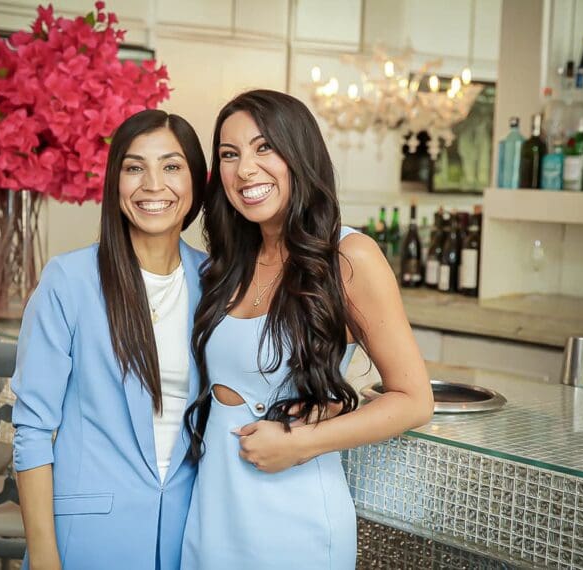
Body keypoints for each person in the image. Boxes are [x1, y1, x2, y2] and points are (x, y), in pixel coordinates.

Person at [181, 90, 435, 569]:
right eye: (229, 155)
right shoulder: (224, 264)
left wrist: (300, 442)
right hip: (213, 507)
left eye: (264, 148)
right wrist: (339, 398)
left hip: (295, 516)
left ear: (299, 154)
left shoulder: (349, 257)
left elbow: (415, 400)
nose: (245, 170)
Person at [12, 109, 207, 570]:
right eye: (134, 167)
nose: (153, 184)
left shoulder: (217, 282)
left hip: (189, 534)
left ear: (196, 182)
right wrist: (43, 558)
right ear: (115, 183)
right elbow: (33, 429)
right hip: (88, 536)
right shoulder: (69, 280)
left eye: (172, 166)